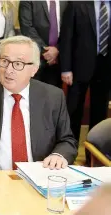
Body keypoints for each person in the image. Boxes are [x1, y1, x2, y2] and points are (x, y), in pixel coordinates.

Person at [0, 36, 78, 170]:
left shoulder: (53, 97)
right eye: (4, 61)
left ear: (34, 69)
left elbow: (67, 140)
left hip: (39, 178)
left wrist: (59, 155)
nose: (9, 70)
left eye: (18, 64)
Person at [59, 1, 111, 165]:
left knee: (99, 114)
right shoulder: (77, 4)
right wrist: (66, 68)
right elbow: (67, 37)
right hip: (79, 67)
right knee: (74, 112)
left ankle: (93, 159)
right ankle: (69, 155)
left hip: (106, 68)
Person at [19, 1, 68, 88]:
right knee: (34, 95)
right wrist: (47, 51)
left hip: (59, 59)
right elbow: (26, 27)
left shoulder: (67, 2)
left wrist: (57, 49)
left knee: (53, 96)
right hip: (35, 58)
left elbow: (70, 28)